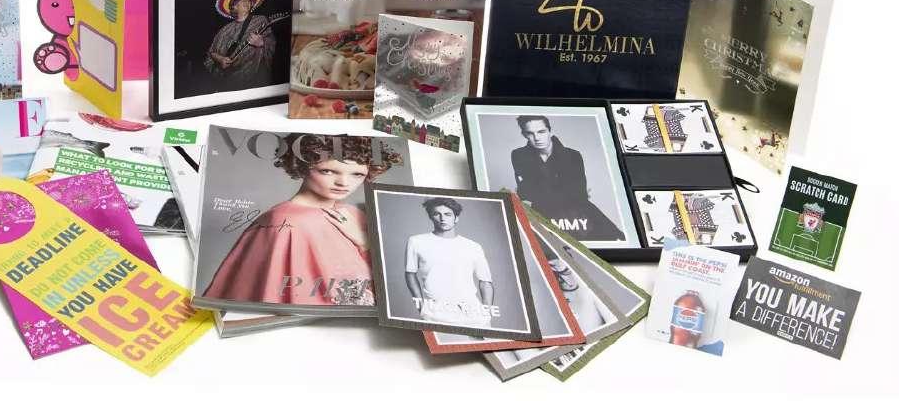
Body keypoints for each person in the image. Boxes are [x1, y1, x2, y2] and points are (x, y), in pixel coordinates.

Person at [203, 133, 402, 306]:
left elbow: (389, 288)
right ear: (303, 166)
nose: (343, 183)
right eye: (328, 171)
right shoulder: (283, 221)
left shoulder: (354, 214)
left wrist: (364, 242)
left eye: (357, 174)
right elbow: (273, 294)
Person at [509, 115, 624, 241]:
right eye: (530, 133)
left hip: (575, 211)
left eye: (541, 132)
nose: (537, 138)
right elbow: (527, 191)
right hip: (542, 212)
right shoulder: (519, 155)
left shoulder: (573, 155)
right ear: (524, 135)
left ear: (550, 131)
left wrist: (537, 193)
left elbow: (579, 193)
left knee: (608, 239)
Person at [404, 197, 495, 326]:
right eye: (437, 214)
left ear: (456, 218)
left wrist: (487, 313)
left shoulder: (473, 246)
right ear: (431, 217)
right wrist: (421, 306)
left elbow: (485, 282)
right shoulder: (417, 241)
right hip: (435, 315)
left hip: (473, 314)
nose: (442, 218)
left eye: (447, 214)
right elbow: (410, 273)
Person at [204, 0, 277, 90]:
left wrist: (262, 43)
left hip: (254, 80)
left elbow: (273, 44)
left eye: (249, 0)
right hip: (228, 82)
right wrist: (220, 59)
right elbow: (211, 52)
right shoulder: (225, 30)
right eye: (243, 0)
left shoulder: (260, 20)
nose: (247, 2)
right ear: (234, 6)